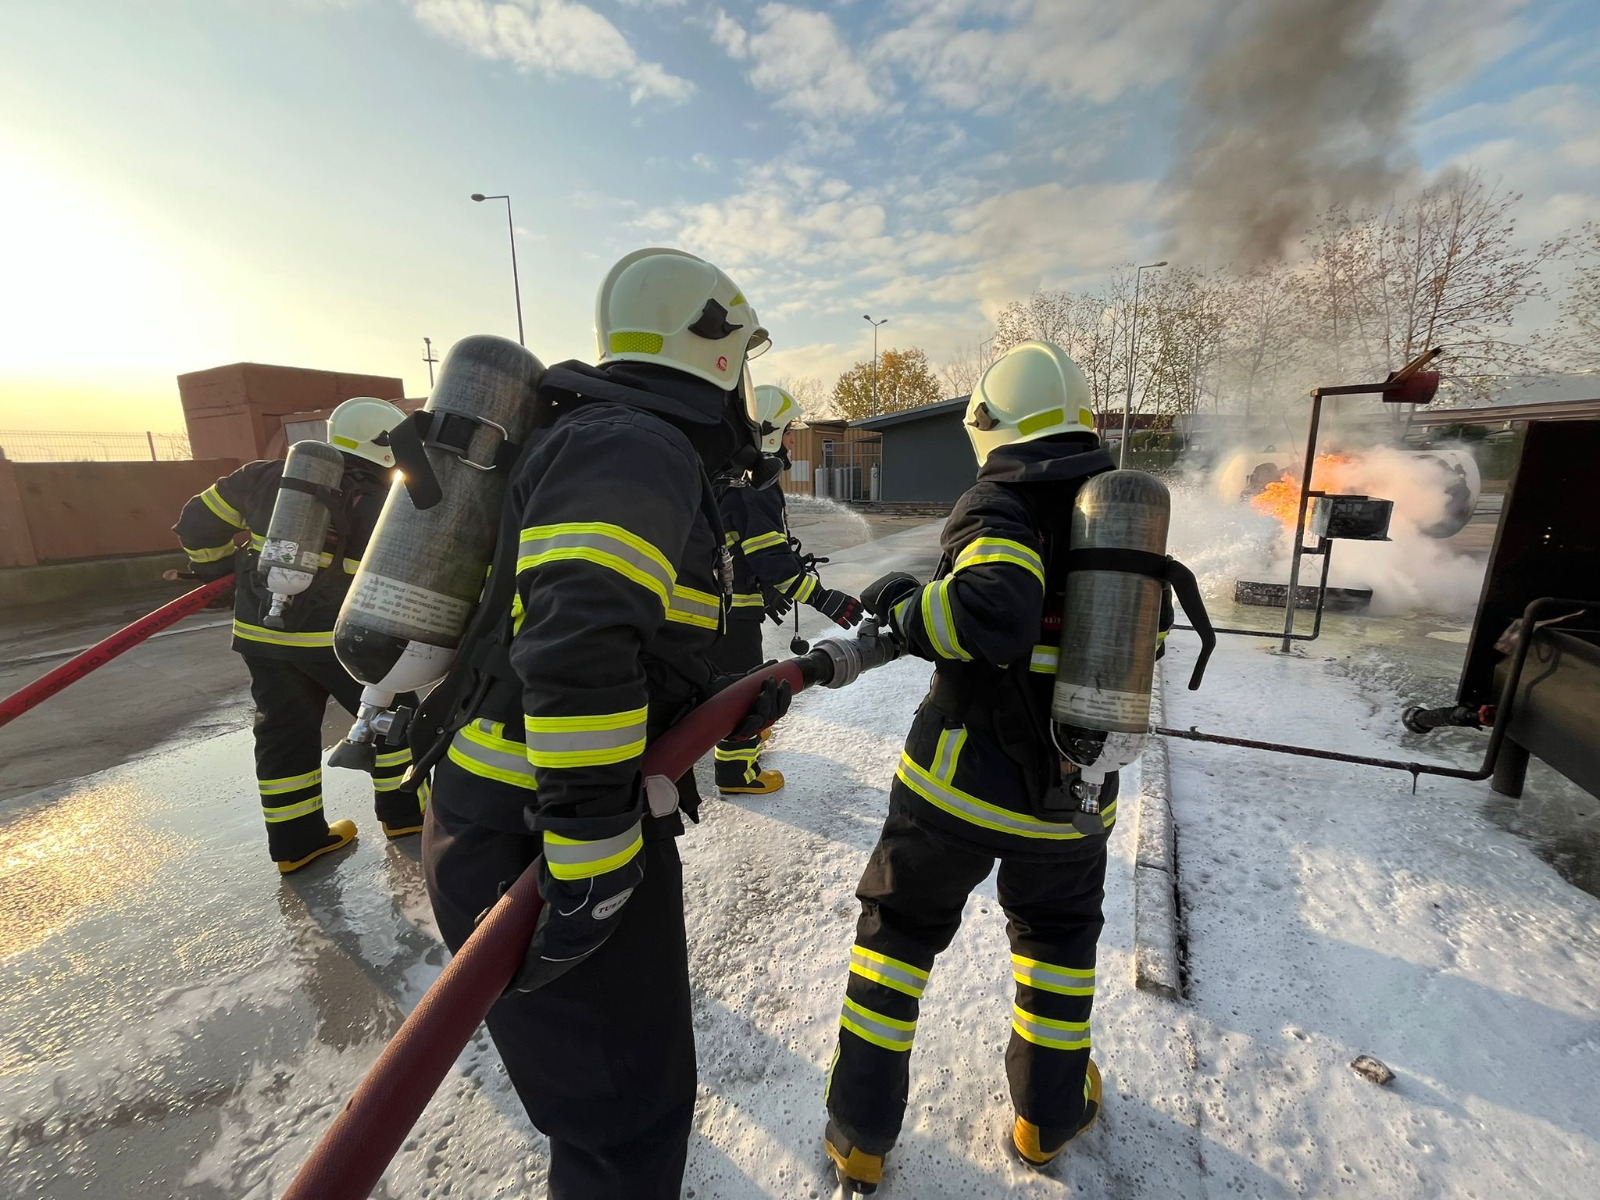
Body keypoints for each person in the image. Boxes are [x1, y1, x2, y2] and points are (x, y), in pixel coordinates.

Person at [421, 248, 788, 1200]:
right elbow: (580, 643)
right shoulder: (635, 445)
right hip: (544, 834)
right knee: (624, 1127)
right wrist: (589, 856)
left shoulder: (614, 437)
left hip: (539, 816)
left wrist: (724, 699)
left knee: (628, 1107)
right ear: (713, 350)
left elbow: (628, 643)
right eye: (741, 361)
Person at [822, 340, 1172, 1192]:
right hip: (1075, 793)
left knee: (896, 938)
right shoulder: (1117, 520)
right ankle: (1047, 1118)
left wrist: (909, 610)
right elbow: (1146, 640)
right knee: (1057, 947)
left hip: (957, 789)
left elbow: (993, 610)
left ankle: (861, 1132)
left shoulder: (1002, 501)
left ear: (992, 425)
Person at [174, 397, 421, 874]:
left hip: (265, 636)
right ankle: (406, 818)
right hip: (346, 643)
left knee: (283, 734)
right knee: (395, 721)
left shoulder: (265, 476)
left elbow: (196, 522)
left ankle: (296, 843)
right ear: (386, 448)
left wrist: (215, 569)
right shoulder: (389, 499)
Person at [711, 383, 862, 794]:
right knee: (743, 689)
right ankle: (736, 772)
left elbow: (745, 552)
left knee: (729, 680)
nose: (793, 441)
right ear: (770, 434)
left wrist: (768, 586)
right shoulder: (755, 491)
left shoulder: (730, 481)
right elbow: (772, 562)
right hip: (734, 614)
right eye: (789, 432)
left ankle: (743, 737)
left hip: (722, 609)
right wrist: (823, 598)